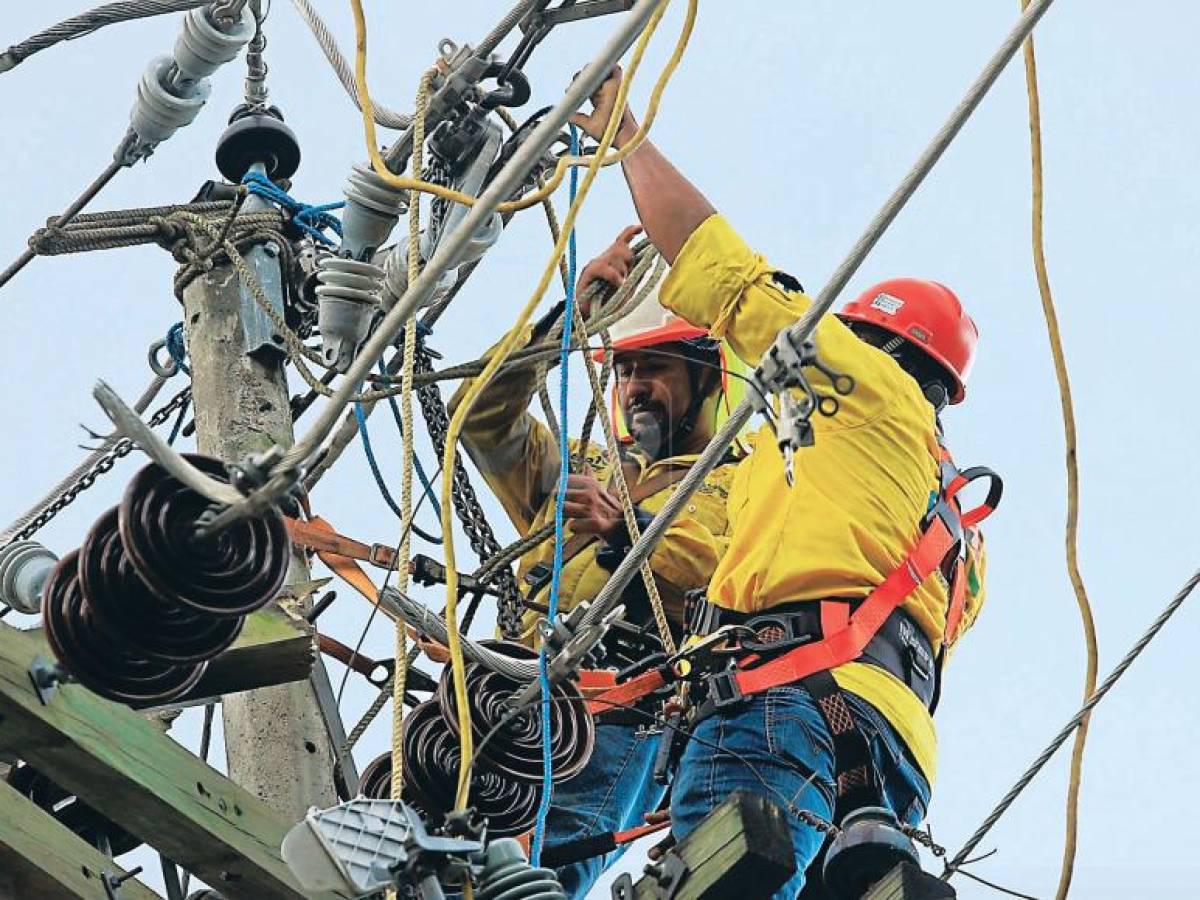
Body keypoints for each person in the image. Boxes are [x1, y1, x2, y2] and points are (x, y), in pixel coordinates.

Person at [569, 70, 998, 897]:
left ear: (877, 346)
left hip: (788, 697)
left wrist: (627, 136)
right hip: (893, 755)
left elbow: (727, 276)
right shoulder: (959, 526)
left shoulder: (868, 394)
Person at [448, 232, 741, 898]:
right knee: (432, 854)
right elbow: (483, 417)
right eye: (626, 371)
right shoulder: (583, 468)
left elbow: (719, 581)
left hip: (624, 708)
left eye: (656, 370)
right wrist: (571, 317)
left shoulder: (742, 481)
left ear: (705, 380)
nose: (636, 388)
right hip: (509, 697)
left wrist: (624, 528)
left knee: (539, 865)